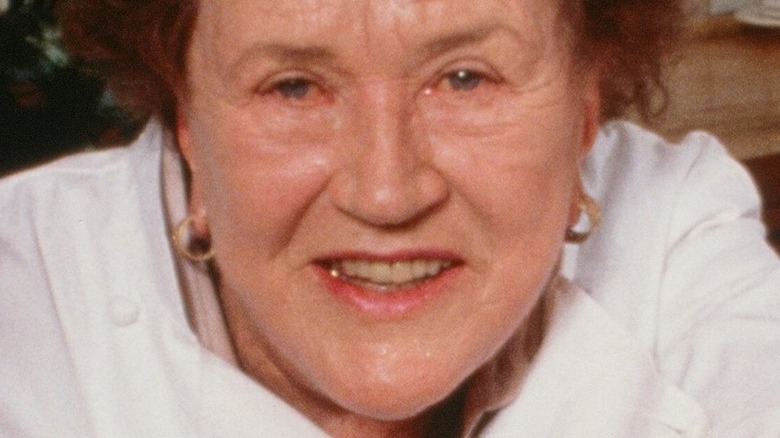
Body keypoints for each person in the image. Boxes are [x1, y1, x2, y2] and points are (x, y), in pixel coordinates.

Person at [1, 0, 779, 436]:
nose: (386, 192)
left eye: (465, 79)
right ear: (185, 124)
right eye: (294, 87)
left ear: (585, 111)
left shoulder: (675, 225)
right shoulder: (22, 294)